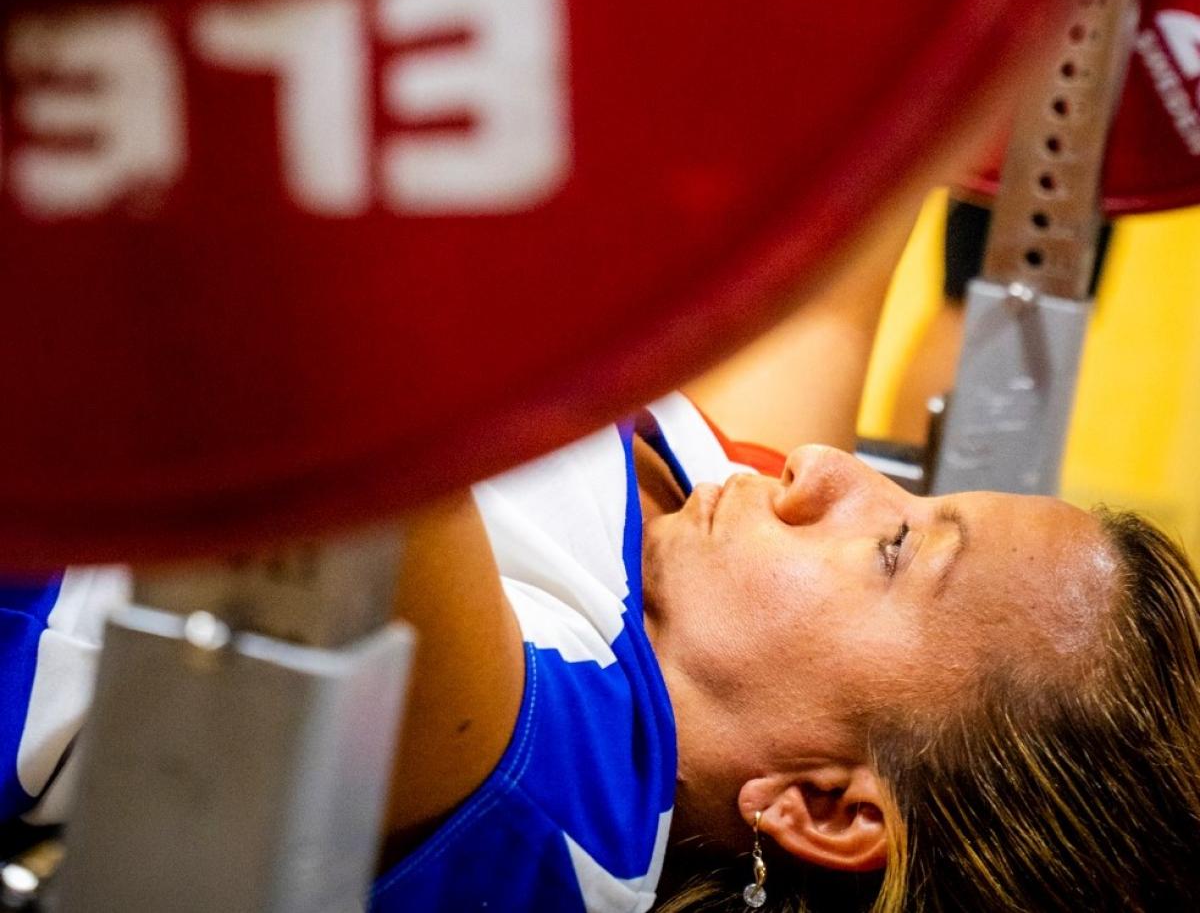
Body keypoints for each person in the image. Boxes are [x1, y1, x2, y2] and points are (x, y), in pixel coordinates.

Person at [4, 236, 1200, 913]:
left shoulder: (567, 810)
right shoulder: (729, 532)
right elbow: (833, 251)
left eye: (898, 548)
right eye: (915, 495)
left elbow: (328, 326)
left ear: (825, 806)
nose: (833, 470)